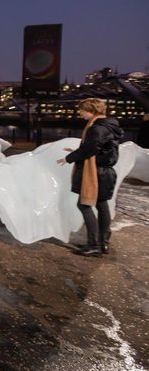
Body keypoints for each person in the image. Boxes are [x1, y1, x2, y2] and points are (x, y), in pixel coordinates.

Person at [57, 98, 122, 256]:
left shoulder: (96, 128)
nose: (80, 113)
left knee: (84, 205)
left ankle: (93, 245)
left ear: (91, 111)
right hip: (105, 171)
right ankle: (103, 243)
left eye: (82, 110)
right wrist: (76, 149)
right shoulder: (109, 125)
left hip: (95, 173)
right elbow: (99, 147)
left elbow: (90, 149)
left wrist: (69, 158)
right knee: (102, 206)